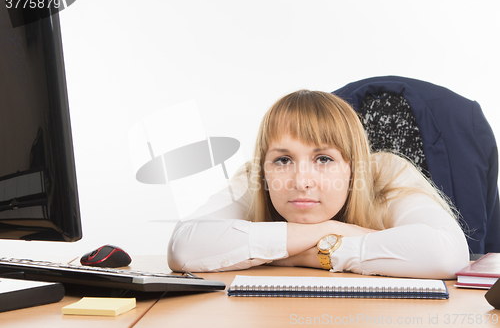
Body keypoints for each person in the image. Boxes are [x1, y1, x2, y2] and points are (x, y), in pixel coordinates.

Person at [168, 90, 469, 279]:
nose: (301, 181)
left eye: (324, 159)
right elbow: (184, 246)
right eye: (283, 160)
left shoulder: (386, 176)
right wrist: (327, 231)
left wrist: (303, 255)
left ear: (354, 167)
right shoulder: (255, 178)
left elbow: (447, 255)